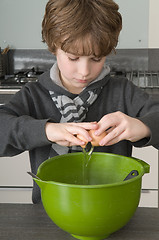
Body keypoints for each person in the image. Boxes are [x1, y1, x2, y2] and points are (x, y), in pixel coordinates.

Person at [0, 0, 159, 204]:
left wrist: (143, 127)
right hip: (50, 212)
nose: (84, 71)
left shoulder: (123, 92)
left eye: (96, 58)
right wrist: (46, 131)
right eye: (73, 58)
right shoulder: (34, 95)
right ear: (53, 47)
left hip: (112, 208)